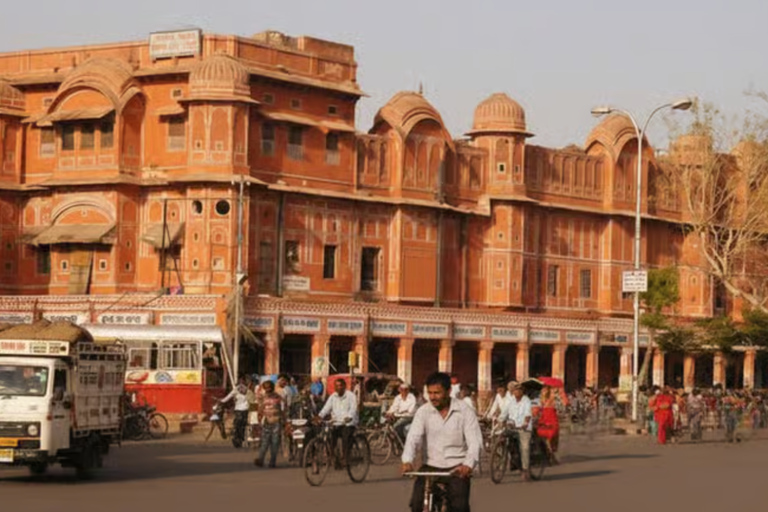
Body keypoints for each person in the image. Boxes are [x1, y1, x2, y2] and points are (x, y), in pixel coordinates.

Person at [402, 372, 482, 512]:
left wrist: (468, 465)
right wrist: (407, 460)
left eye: (437, 393)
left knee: (459, 506)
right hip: (430, 467)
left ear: (449, 391)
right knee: (417, 505)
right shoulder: (423, 412)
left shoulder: (464, 411)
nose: (433, 397)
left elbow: (475, 442)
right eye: (430, 393)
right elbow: (413, 438)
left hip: (456, 468)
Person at [317, 378, 358, 466]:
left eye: (340, 386)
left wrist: (349, 417)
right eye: (337, 386)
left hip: (348, 423)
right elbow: (326, 408)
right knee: (330, 437)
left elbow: (353, 409)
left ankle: (345, 457)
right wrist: (320, 416)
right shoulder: (333, 397)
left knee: (346, 438)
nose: (338, 388)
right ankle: (332, 456)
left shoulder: (351, 396)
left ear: (344, 386)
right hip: (336, 422)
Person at [498, 381, 533, 480]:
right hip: (512, 426)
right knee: (501, 438)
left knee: (524, 447)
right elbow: (504, 412)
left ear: (522, 391)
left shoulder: (526, 401)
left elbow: (528, 414)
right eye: (515, 391)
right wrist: (500, 420)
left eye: (518, 390)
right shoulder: (511, 401)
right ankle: (505, 461)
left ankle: (525, 469)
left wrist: (525, 423)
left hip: (524, 428)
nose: (516, 392)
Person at [254, 380, 285, 468]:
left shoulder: (277, 397)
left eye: (268, 388)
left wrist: (284, 420)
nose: (267, 390)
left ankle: (270, 461)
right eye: (266, 388)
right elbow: (260, 409)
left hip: (275, 421)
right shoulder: (265, 398)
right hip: (268, 421)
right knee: (267, 442)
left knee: (272, 442)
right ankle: (263, 459)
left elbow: (283, 409)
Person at [220, 377, 250, 448]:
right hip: (244, 410)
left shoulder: (236, 390)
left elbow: (228, 397)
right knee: (242, 425)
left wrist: (221, 401)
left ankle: (238, 438)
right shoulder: (248, 390)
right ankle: (240, 438)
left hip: (239, 410)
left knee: (238, 425)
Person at [536, 386, 560, 465]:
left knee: (551, 438)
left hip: (552, 420)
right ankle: (550, 456)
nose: (544, 391)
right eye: (543, 390)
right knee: (544, 439)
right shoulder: (540, 400)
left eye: (545, 390)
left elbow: (557, 403)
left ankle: (551, 455)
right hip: (543, 420)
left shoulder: (552, 398)